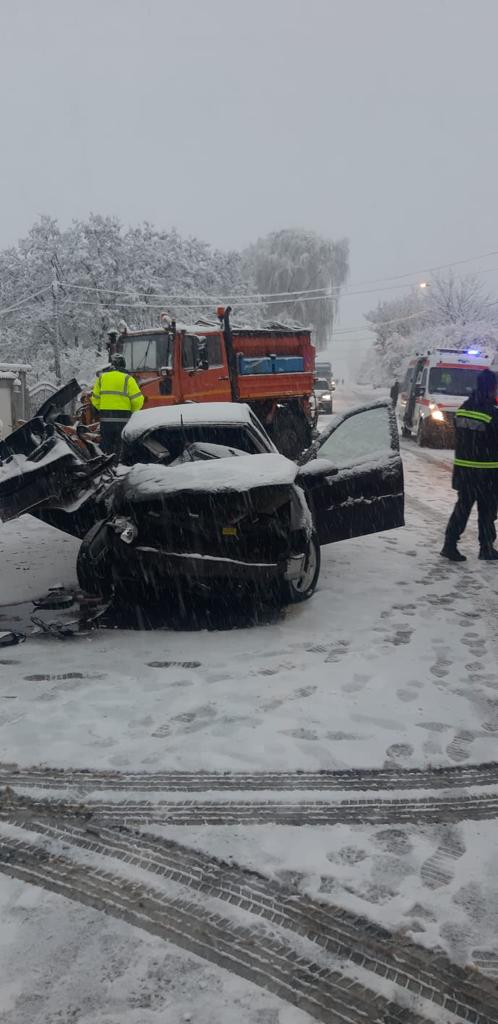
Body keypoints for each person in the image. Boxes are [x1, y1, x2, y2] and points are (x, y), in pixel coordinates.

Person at [441, 368, 498, 562]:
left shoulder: (464, 408)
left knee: (462, 509)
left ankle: (449, 544)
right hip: (487, 473)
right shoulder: (491, 413)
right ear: (492, 388)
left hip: (464, 470)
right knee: (487, 511)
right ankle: (486, 547)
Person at [91, 353, 144, 456]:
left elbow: (95, 399)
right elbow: (137, 400)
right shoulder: (128, 379)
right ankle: (119, 462)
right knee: (121, 446)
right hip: (123, 419)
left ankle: (106, 462)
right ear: (123, 365)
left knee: (106, 446)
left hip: (106, 419)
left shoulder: (102, 378)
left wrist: (102, 409)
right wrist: (132, 411)